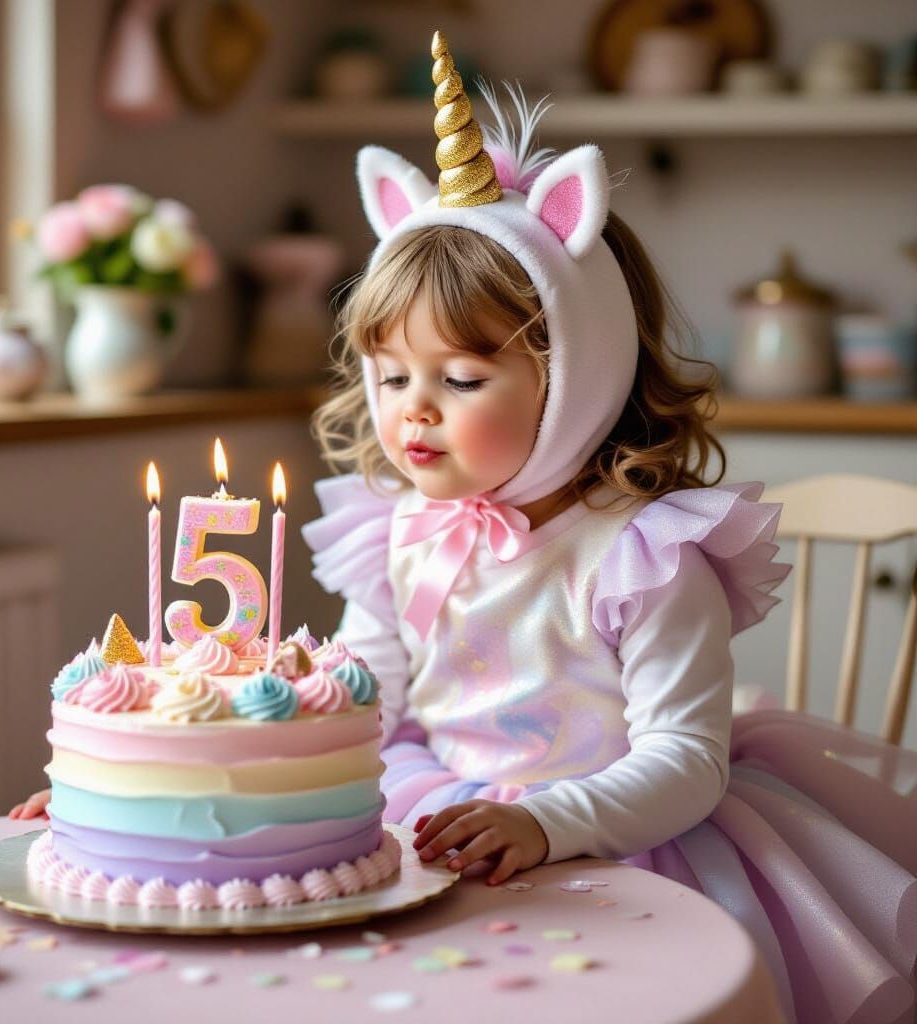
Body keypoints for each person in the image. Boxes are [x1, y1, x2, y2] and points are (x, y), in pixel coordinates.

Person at [300, 33, 917, 1024]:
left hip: (625, 834)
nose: (412, 409)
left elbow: (683, 756)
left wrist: (543, 823)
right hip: (444, 815)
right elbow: (360, 699)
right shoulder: (398, 530)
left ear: (575, 377)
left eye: (458, 380)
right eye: (389, 376)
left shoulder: (643, 554)